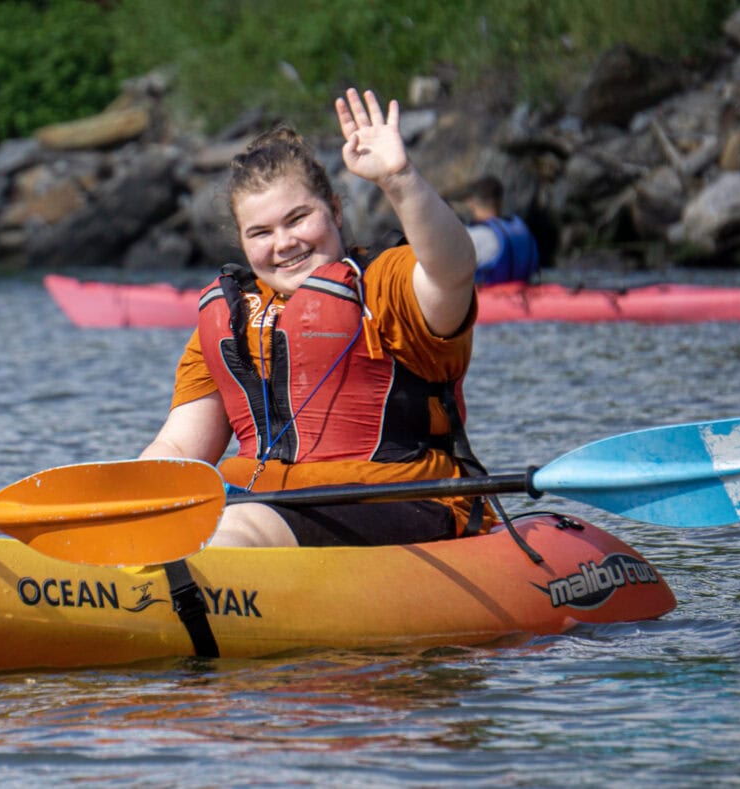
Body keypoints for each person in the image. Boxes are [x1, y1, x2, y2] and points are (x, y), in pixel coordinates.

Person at [141, 88, 490, 548]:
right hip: (257, 510)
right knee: (183, 527)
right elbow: (179, 449)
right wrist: (127, 507)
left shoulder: (387, 285)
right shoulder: (231, 317)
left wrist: (399, 179)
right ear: (242, 243)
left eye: (298, 218)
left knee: (234, 529)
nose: (284, 243)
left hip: (401, 504)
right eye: (260, 232)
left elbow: (453, 269)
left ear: (336, 211)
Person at [459, 174, 540, 285]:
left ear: (471, 203)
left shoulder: (472, 237)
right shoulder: (523, 231)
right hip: (524, 290)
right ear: (500, 201)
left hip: (487, 293)